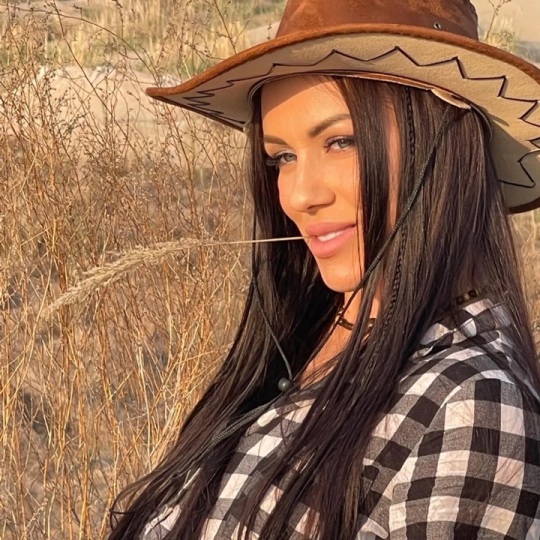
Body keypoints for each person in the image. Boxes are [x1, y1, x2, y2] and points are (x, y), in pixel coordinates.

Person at [108, 0, 540, 538]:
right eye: (281, 157)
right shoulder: (301, 338)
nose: (298, 196)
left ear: (443, 141)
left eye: (340, 141)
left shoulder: (470, 408)